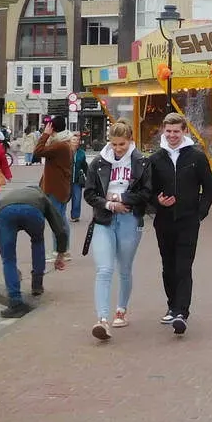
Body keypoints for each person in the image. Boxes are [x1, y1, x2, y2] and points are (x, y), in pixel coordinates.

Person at [83, 120, 151, 341]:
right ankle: (102, 319)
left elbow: (146, 194)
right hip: (104, 219)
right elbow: (89, 193)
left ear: (130, 140)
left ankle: (121, 309)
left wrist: (121, 198)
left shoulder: (140, 162)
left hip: (130, 219)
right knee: (104, 269)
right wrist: (109, 204)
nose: (118, 148)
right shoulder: (98, 163)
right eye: (114, 144)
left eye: (122, 144)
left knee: (124, 268)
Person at [148, 113, 212, 336]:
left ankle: (181, 313)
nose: (172, 135)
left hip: (188, 221)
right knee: (168, 266)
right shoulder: (156, 158)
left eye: (176, 131)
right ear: (163, 131)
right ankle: (171, 305)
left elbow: (208, 187)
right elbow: (148, 190)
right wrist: (156, 202)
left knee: (183, 267)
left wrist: (200, 214)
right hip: (164, 221)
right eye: (168, 131)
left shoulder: (196, 157)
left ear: (184, 131)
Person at [0, 184, 70, 318]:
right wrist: (60, 254)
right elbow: (60, 228)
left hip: (5, 211)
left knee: (8, 259)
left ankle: (15, 303)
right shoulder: (42, 197)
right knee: (38, 241)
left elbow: (0, 242)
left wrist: (10, 264)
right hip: (33, 211)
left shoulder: (10, 196)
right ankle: (37, 285)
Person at [35, 116, 76, 258]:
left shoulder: (59, 145)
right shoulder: (63, 143)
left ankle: (60, 251)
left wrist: (45, 134)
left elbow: (37, 151)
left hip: (56, 189)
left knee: (57, 221)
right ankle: (64, 250)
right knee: (61, 219)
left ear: (52, 128)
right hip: (60, 187)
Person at [70, 136, 88, 223]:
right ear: (69, 141)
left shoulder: (81, 153)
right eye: (73, 140)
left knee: (77, 199)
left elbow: (85, 166)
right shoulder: (65, 152)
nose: (76, 142)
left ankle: (75, 216)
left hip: (77, 180)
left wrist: (88, 176)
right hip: (66, 180)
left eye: (77, 140)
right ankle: (59, 215)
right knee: (62, 199)